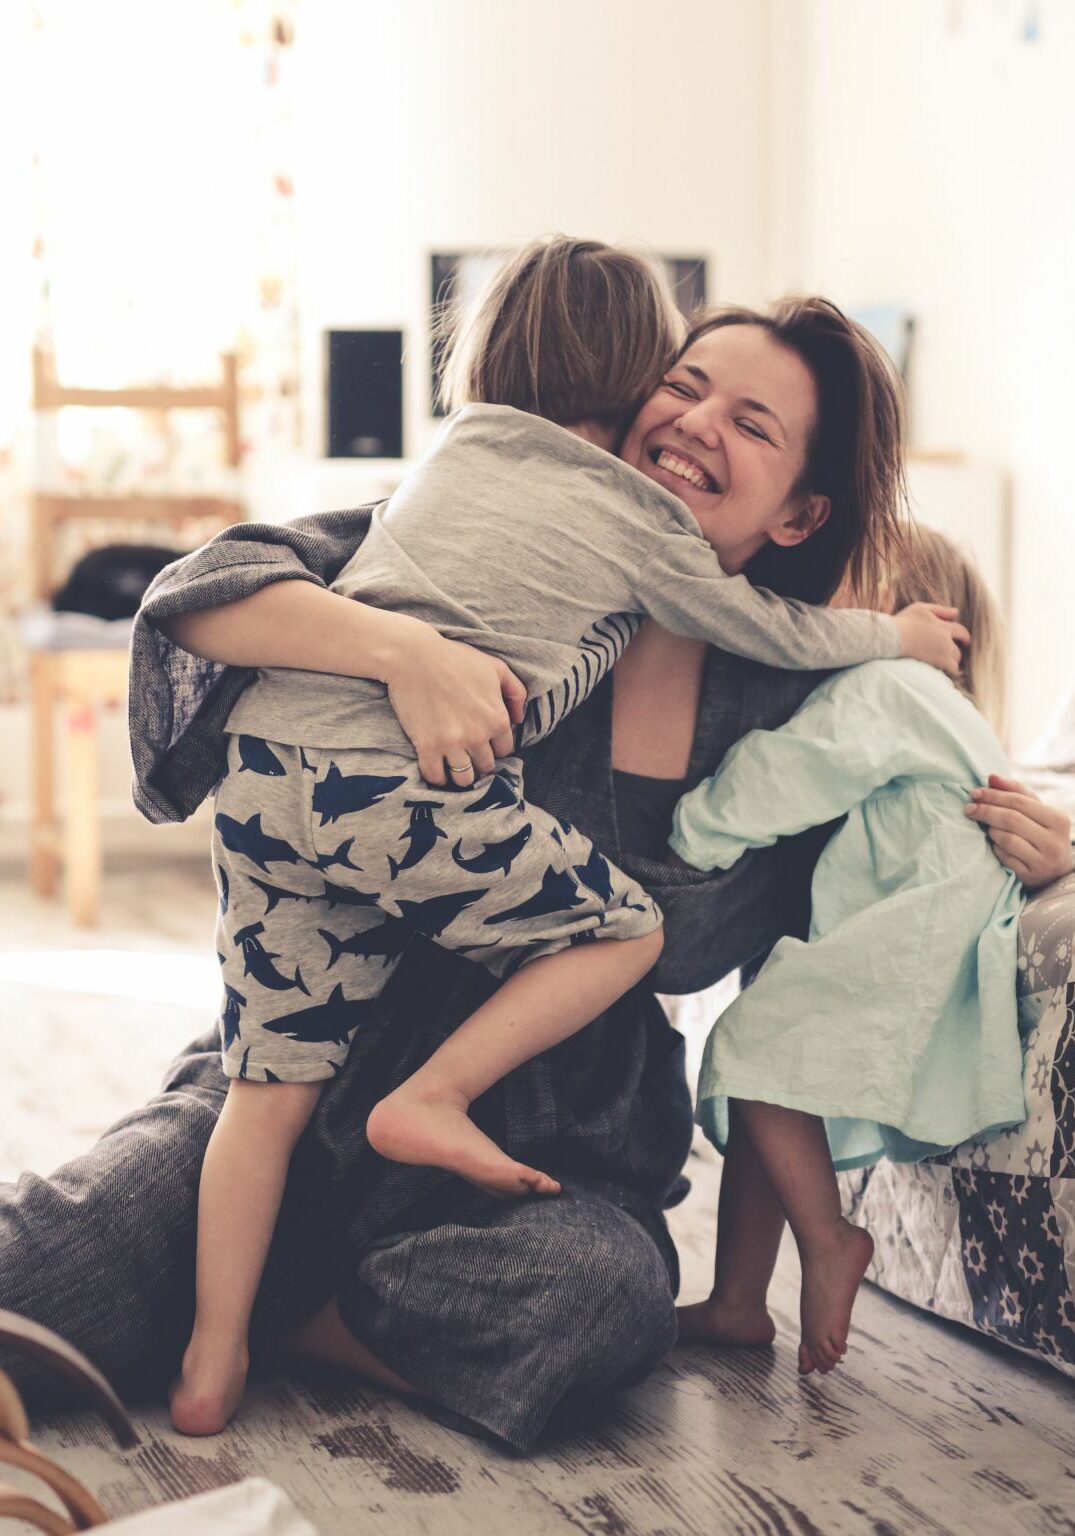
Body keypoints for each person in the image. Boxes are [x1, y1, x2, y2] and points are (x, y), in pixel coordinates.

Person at [2, 297, 1069, 1455]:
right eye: (686, 382)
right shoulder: (492, 546)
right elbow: (195, 596)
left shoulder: (807, 724)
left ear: (802, 511)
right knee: (65, 1264)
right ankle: (215, 1292)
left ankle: (265, 1315)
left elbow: (898, 891)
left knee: (597, 1304)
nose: (697, 420)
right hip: (298, 1095)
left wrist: (1034, 852)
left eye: (752, 423)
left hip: (553, 1165)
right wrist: (399, 651)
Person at [672, 527, 1026, 1376]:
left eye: (830, 588)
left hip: (918, 920)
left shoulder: (888, 682)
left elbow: (792, 771)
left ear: (899, 607)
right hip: (933, 913)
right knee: (774, 1076)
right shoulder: (943, 705)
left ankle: (828, 1239)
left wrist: (692, 829)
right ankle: (736, 1303)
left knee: (751, 1049)